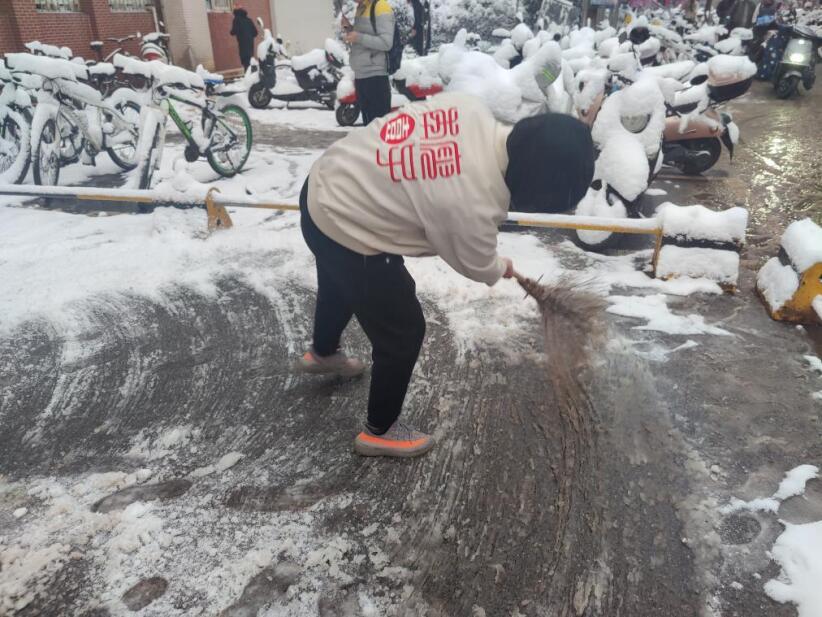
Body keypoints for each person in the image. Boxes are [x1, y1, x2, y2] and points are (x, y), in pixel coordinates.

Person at [295, 92, 595, 458]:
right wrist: (499, 267)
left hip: (324, 183)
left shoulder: (470, 108)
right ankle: (380, 430)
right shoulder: (472, 200)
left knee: (340, 282)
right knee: (403, 330)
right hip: (345, 220)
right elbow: (475, 261)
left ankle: (323, 353)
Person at [341, 0, 395, 125]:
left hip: (376, 77)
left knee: (379, 128)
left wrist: (358, 37)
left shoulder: (381, 6)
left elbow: (386, 43)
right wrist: (349, 28)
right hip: (361, 76)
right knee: (369, 128)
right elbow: (363, 37)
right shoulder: (361, 7)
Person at [230, 6, 258, 72]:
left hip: (242, 44)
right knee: (250, 59)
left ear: (235, 13)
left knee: (245, 60)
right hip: (250, 43)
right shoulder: (249, 20)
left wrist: (232, 32)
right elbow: (255, 33)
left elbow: (234, 31)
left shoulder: (236, 20)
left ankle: (248, 74)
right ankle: (252, 74)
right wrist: (249, 35)